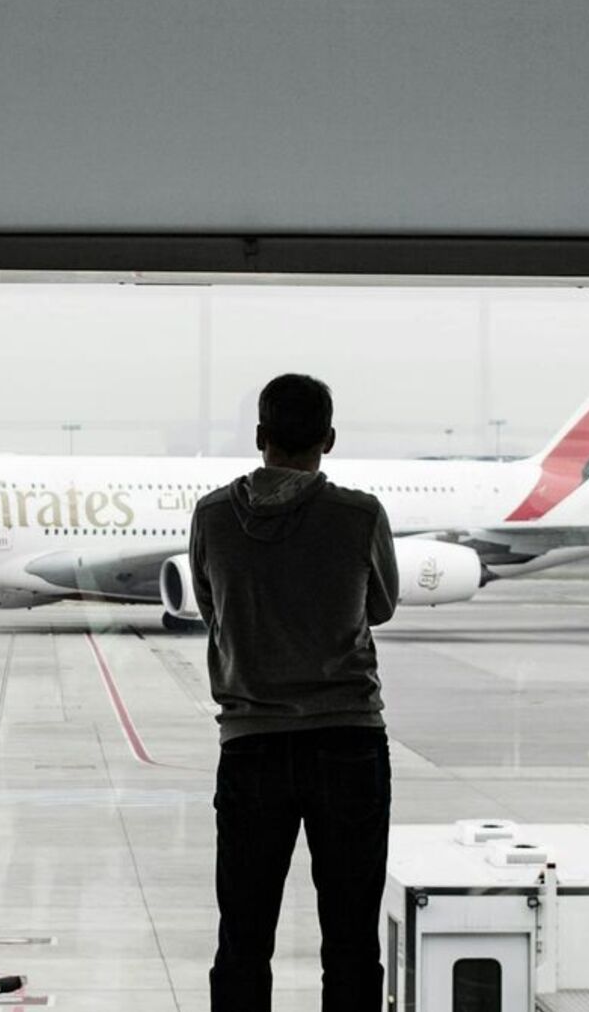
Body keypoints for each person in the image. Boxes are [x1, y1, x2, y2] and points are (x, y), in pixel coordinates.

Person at [188, 373, 401, 1012]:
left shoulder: (212, 516)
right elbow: (383, 607)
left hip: (252, 745)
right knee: (351, 939)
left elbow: (211, 608)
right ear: (329, 440)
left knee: (244, 941)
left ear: (260, 437)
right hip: (349, 743)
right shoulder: (359, 515)